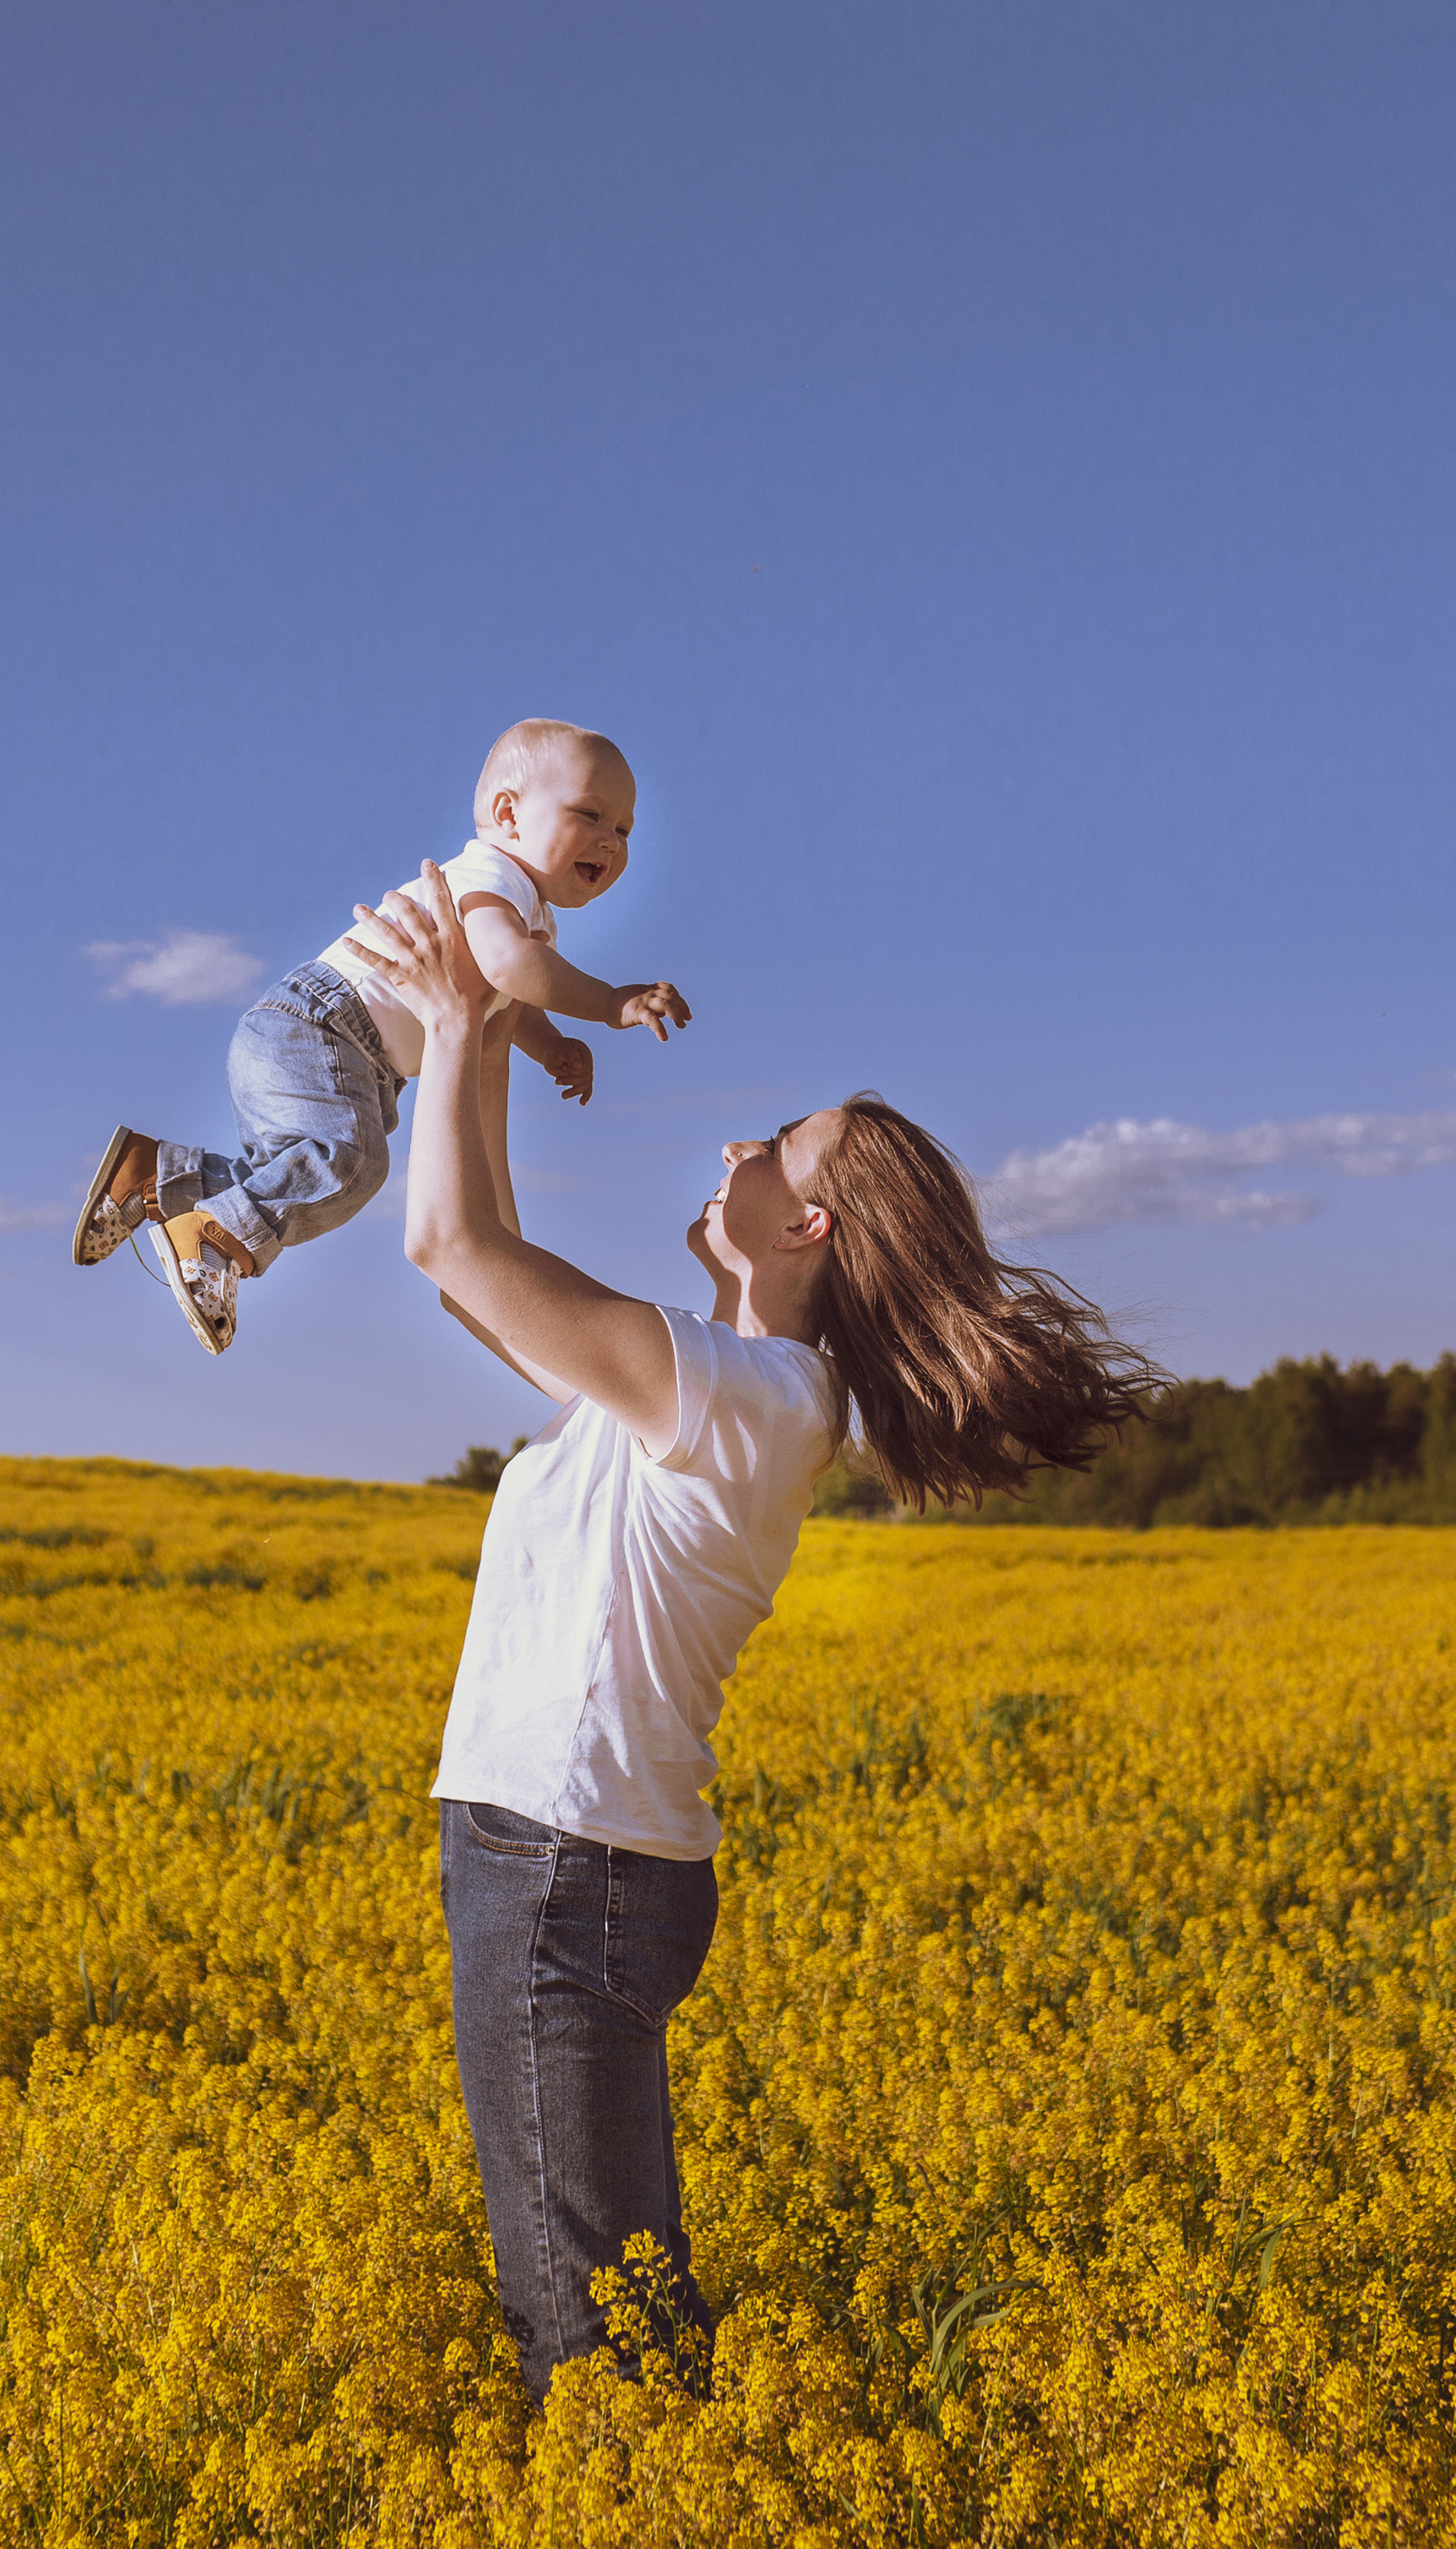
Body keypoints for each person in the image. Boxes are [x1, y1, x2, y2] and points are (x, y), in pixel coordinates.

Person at [342, 862, 1160, 2406]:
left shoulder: (740, 1394)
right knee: (614, 2322)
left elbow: (447, 1249)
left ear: (807, 1218)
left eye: (767, 1142)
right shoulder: (720, 1384)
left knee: (593, 2353)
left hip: (561, 1864)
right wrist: (495, 1028)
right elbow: (484, 1262)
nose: (731, 1144)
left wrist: (454, 1016)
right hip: (578, 1863)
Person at [68, 720, 691, 1353]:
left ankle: (149, 1176)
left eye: (625, 830)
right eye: (590, 814)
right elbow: (508, 967)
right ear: (508, 813)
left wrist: (550, 1043)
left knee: (296, 1173)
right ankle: (216, 1242)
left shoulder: (523, 915)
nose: (611, 843)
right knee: (354, 1165)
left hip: (310, 1036)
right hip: (329, 1031)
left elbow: (510, 994)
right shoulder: (496, 877)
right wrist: (611, 1001)